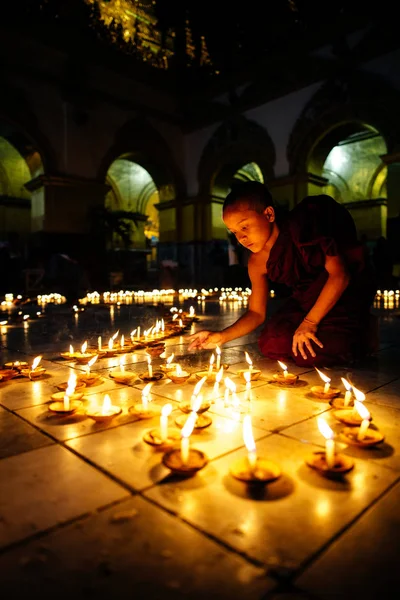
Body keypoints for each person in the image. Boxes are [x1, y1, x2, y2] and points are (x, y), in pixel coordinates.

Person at [188, 181, 377, 367]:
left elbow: (340, 275)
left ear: (269, 214)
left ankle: (364, 330)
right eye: (234, 232)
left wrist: (309, 323)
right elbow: (256, 313)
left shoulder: (303, 228)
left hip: (339, 296)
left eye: (244, 226)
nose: (241, 238)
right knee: (271, 343)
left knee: (314, 352)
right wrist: (221, 336)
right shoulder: (256, 262)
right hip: (306, 301)